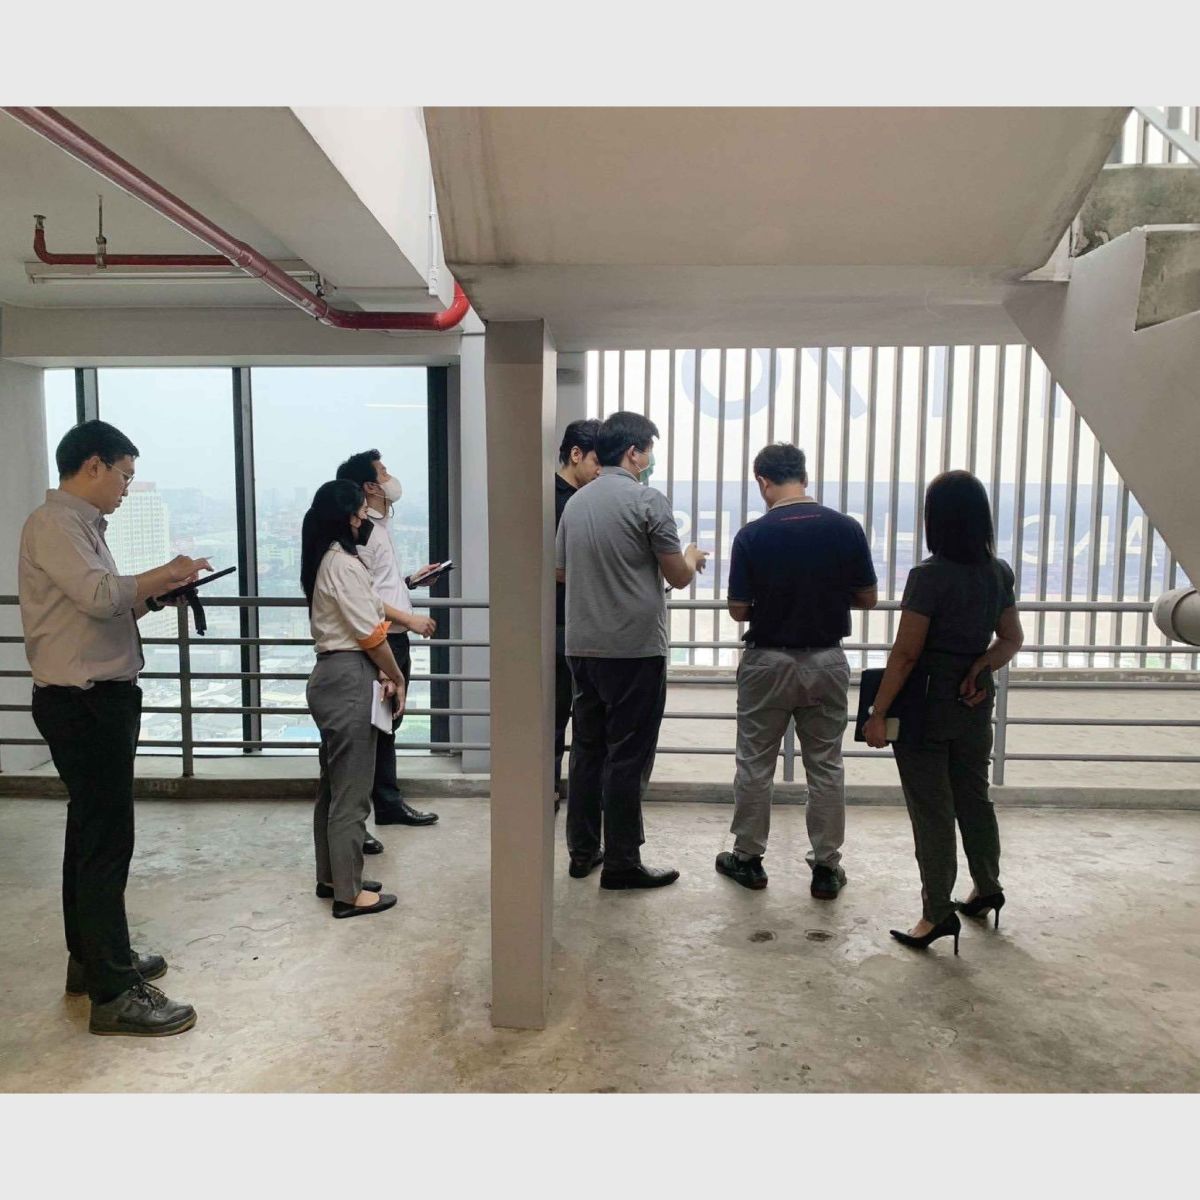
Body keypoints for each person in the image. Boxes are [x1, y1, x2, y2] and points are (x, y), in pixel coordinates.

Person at [19, 420, 209, 1037]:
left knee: (90, 835)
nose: (126, 488)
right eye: (124, 476)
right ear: (94, 465)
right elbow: (102, 597)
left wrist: (156, 596)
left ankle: (93, 959)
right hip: (85, 704)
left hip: (93, 700)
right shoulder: (56, 524)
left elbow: (101, 610)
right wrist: (167, 570)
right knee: (106, 843)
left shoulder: (79, 526)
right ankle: (115, 993)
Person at [863, 470, 1024, 954]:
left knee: (932, 811)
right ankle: (987, 886)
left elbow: (906, 654)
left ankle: (936, 913)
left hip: (926, 705)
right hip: (974, 702)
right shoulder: (998, 573)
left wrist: (877, 712)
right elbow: (1011, 639)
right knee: (974, 798)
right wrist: (980, 667)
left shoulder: (928, 577)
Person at [716, 443, 878, 897]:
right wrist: (824, 597)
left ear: (762, 481)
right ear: (804, 477)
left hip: (767, 661)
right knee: (825, 765)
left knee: (755, 762)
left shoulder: (752, 535)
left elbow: (738, 609)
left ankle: (748, 859)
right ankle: (826, 867)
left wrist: (777, 601)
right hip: (826, 660)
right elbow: (868, 598)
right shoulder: (846, 528)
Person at [556, 410, 708, 889]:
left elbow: (560, 571)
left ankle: (582, 852)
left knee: (586, 751)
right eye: (648, 451)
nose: (649, 460)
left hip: (582, 645)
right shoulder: (648, 501)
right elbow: (677, 576)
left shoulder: (575, 504)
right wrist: (691, 557)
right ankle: (622, 862)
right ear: (633, 453)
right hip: (634, 649)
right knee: (627, 757)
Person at [301, 480, 408, 919]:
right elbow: (369, 634)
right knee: (352, 794)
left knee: (334, 788)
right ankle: (349, 894)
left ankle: (334, 877)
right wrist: (395, 674)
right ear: (346, 517)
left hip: (337, 674)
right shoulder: (342, 564)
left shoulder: (326, 560)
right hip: (347, 679)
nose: (366, 521)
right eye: (362, 514)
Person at [335, 450, 440, 849]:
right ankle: (359, 819)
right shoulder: (361, 533)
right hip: (380, 637)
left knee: (387, 724)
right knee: (370, 729)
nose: (391, 478)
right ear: (369, 486)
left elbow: (380, 584)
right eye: (383, 472)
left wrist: (410, 582)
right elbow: (363, 597)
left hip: (393, 634)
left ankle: (388, 803)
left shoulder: (379, 526)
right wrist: (409, 619)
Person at [553, 418, 602, 813]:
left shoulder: (586, 499)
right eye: (596, 462)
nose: (601, 472)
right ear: (575, 454)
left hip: (583, 623)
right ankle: (547, 789)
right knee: (553, 715)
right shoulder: (554, 501)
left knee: (586, 718)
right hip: (556, 622)